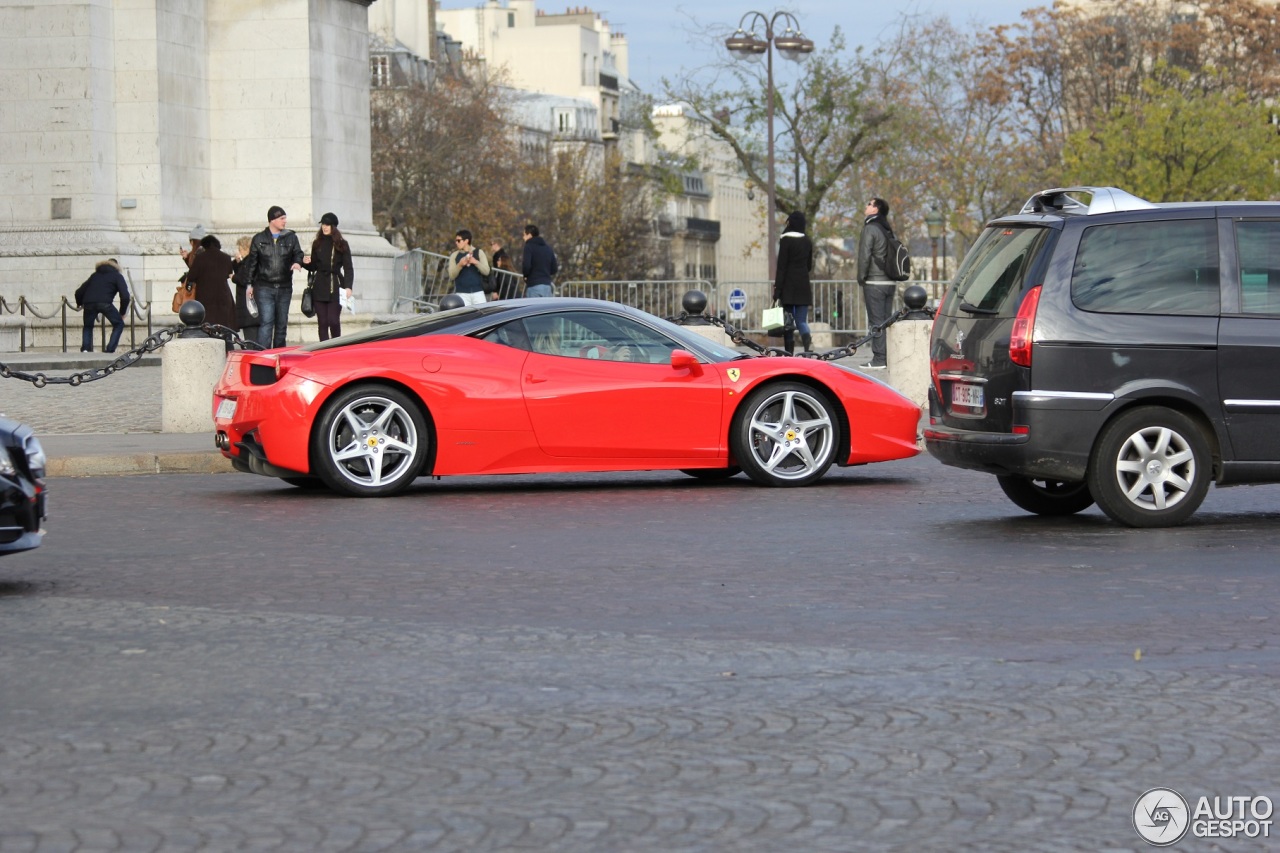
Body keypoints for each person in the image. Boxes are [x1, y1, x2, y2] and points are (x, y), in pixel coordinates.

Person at [243, 205, 304, 349]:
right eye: (282, 218)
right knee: (266, 322)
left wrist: (297, 262)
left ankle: (279, 354)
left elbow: (298, 253)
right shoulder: (259, 239)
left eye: (285, 218)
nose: (285, 221)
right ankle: (263, 355)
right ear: (272, 220)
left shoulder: (291, 237)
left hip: (284, 286)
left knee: (282, 324)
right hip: (265, 287)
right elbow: (252, 264)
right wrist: (249, 285)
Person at [857, 197, 896, 369]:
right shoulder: (887, 229)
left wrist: (861, 276)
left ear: (875, 209)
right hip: (889, 281)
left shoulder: (870, 228)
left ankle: (879, 359)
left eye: (869, 204)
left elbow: (865, 255)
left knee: (876, 321)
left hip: (874, 281)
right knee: (886, 321)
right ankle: (887, 356)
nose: (866, 206)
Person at [302, 212, 355, 340]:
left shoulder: (342, 244)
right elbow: (314, 266)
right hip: (319, 286)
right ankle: (323, 351)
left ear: (333, 226)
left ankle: (336, 347)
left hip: (336, 286)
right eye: (323, 224)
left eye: (328, 224)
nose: (325, 227)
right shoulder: (317, 243)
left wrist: (348, 287)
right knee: (323, 323)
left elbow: (348, 268)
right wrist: (304, 263)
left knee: (333, 321)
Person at [773, 210, 814, 355]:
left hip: (788, 287)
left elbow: (782, 267)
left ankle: (789, 351)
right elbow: (809, 266)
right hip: (803, 284)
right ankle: (808, 344)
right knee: (801, 321)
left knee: (788, 322)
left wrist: (777, 290)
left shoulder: (785, 240)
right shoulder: (807, 241)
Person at [73, 258, 131, 353]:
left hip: (89, 303)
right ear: (117, 266)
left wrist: (79, 303)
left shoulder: (95, 275)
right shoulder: (117, 276)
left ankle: (86, 349)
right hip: (105, 303)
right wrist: (122, 312)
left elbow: (79, 292)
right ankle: (110, 349)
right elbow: (125, 296)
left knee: (88, 326)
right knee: (119, 324)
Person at [185, 233, 236, 329]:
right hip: (223, 296)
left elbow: (191, 276)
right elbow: (228, 273)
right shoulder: (226, 257)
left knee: (207, 326)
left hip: (205, 297)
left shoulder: (200, 258)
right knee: (224, 327)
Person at [447, 230, 490, 306]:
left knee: (482, 314)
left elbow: (486, 271)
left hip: (478, 292)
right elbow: (451, 275)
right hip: (462, 293)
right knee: (466, 316)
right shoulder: (454, 255)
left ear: (466, 241)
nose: (456, 242)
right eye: (456, 240)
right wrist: (460, 265)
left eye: (459, 240)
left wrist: (475, 262)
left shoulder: (479, 252)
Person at [231, 235, 260, 344]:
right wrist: (237, 263)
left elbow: (244, 279)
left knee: (251, 340)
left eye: (240, 249)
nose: (239, 251)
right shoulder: (250, 260)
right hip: (252, 306)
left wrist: (233, 277)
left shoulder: (250, 261)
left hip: (249, 306)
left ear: (244, 248)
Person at [521, 224, 558, 297]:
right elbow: (554, 269)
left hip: (533, 285)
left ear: (529, 235)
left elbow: (526, 266)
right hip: (547, 286)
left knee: (533, 308)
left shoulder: (528, 247)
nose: (523, 237)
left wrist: (526, 275)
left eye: (524, 235)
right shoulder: (548, 248)